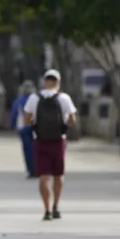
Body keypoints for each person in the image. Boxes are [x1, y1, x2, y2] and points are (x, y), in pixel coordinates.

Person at [23, 69, 77, 221]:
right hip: (59, 141)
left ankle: (46, 209)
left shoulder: (34, 98)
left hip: (40, 141)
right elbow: (73, 121)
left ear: (45, 81)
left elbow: (27, 121)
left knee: (44, 177)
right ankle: (56, 206)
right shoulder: (64, 98)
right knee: (58, 175)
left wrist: (36, 124)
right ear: (58, 83)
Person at [10, 80, 37, 178]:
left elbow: (14, 114)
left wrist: (12, 126)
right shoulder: (36, 100)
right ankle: (38, 169)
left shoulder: (19, 101)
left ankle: (31, 170)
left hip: (23, 128)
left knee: (27, 150)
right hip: (35, 128)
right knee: (36, 149)